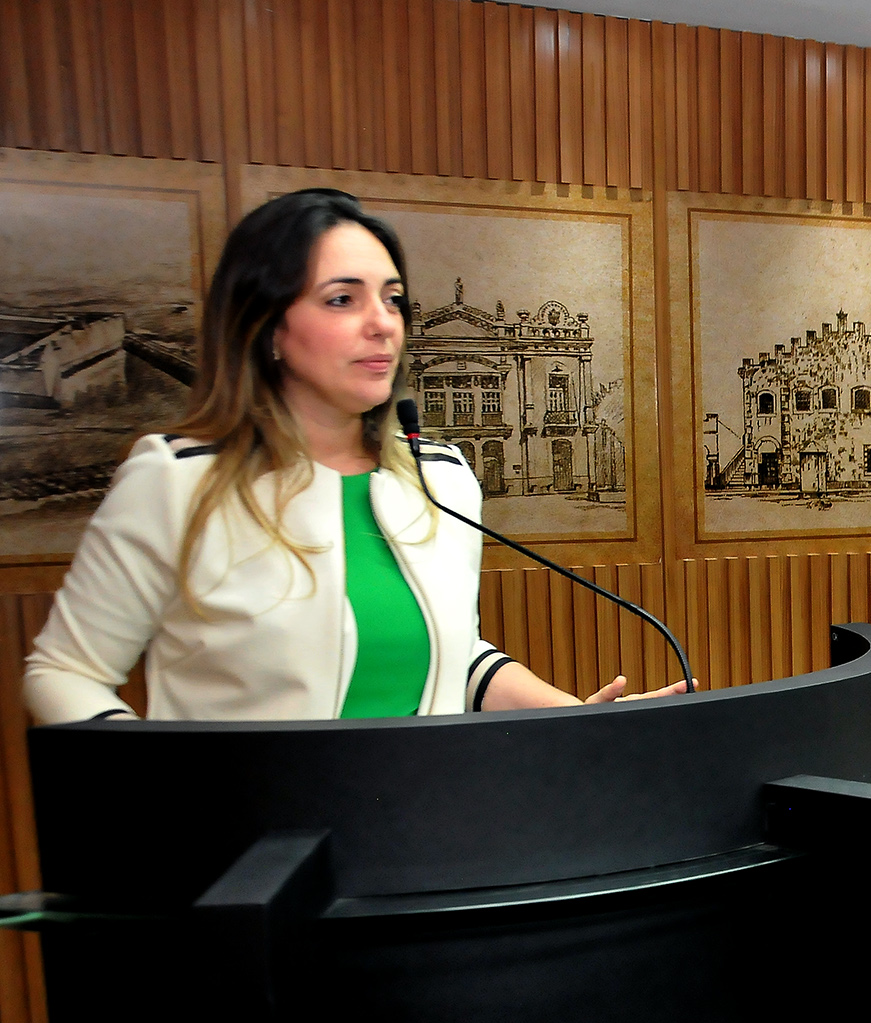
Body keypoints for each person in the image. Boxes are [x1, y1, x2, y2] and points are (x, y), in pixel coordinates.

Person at [23, 189, 690, 724]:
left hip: (425, 831)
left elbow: (453, 657)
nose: (382, 323)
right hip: (251, 844)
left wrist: (576, 719)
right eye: (342, 299)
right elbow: (64, 672)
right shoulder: (177, 481)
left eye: (392, 299)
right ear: (267, 327)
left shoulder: (441, 479)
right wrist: (160, 781)